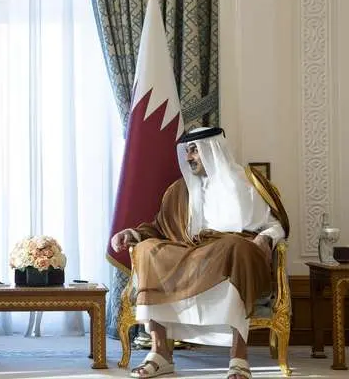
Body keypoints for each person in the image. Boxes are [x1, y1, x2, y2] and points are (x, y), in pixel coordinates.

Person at [111, 127, 288, 379]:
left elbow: (277, 225)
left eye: (194, 150)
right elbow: (160, 228)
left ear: (212, 149)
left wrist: (265, 237)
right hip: (191, 253)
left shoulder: (248, 183)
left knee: (235, 247)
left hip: (232, 253)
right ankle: (160, 354)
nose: (189, 157)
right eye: (187, 151)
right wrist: (134, 234)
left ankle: (238, 358)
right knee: (147, 249)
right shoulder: (179, 190)